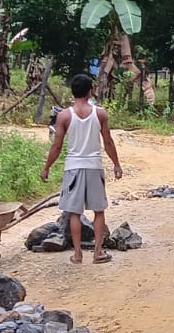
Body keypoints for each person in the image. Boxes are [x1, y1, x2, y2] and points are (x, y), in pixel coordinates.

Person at [40, 73, 124, 264]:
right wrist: (116, 164)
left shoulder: (64, 115)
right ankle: (98, 252)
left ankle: (78, 254)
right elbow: (108, 141)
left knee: (74, 213)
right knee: (99, 211)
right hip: (94, 166)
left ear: (73, 91)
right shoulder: (99, 113)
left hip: (73, 167)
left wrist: (46, 167)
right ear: (90, 91)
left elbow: (57, 145)